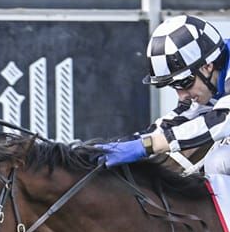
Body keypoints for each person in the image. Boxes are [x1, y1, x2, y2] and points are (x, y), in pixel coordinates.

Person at [96, 14, 230, 172]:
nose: (182, 96)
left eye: (184, 83)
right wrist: (121, 144)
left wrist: (147, 145)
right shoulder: (210, 78)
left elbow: (221, 121)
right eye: (175, 86)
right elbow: (174, 124)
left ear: (207, 67)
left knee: (219, 160)